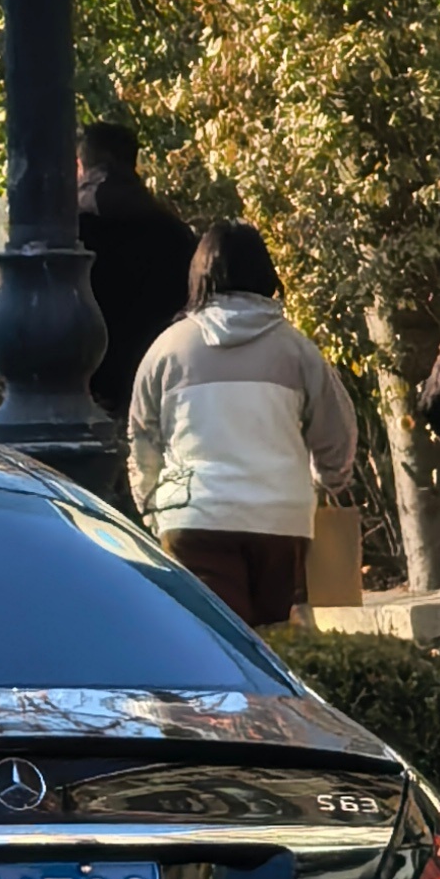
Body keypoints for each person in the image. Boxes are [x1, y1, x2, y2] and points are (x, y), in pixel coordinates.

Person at [124, 217, 361, 629]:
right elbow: (336, 435)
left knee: (213, 641)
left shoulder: (167, 349)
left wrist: (150, 506)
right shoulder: (297, 350)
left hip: (193, 518)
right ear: (265, 274)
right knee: (270, 642)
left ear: (199, 276)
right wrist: (327, 479)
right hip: (280, 520)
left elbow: (142, 437)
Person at [76, 121, 202, 419]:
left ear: (87, 166)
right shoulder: (173, 231)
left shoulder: (74, 233)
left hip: (89, 387)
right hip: (159, 381)